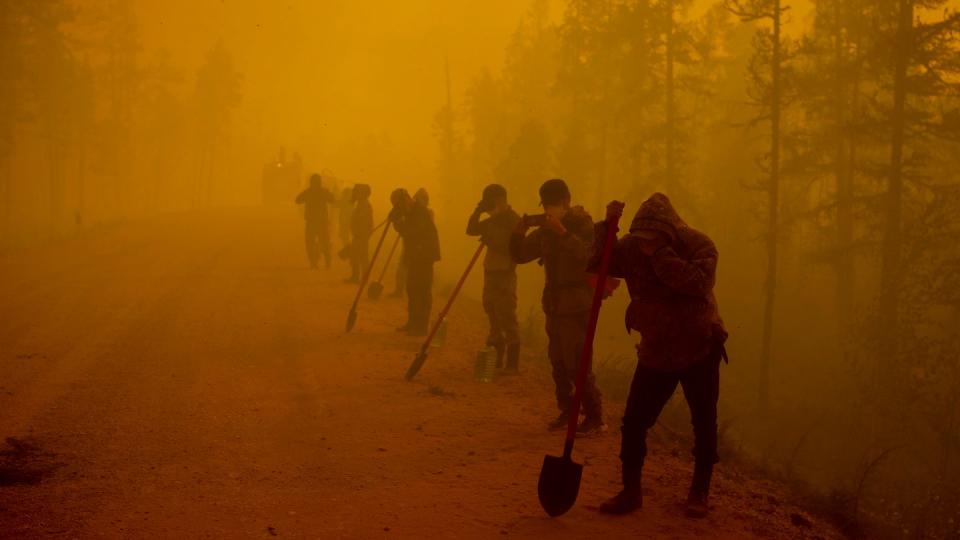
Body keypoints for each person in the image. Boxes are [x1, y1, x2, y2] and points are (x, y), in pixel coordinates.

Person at [594, 193, 727, 518]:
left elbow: (697, 283)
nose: (645, 244)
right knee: (635, 421)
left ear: (667, 233)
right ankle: (630, 490)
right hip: (655, 349)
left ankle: (699, 492)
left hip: (700, 347)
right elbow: (600, 264)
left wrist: (660, 254)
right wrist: (606, 230)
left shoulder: (699, 245)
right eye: (642, 238)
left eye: (652, 238)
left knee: (704, 422)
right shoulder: (631, 247)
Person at [510, 179, 605, 434]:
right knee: (558, 361)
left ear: (566, 201)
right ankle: (567, 408)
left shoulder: (582, 225)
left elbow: (588, 256)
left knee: (577, 361)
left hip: (576, 306)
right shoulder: (545, 231)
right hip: (553, 305)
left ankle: (594, 414)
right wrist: (518, 233)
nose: (550, 209)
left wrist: (563, 232)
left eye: (554, 203)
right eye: (546, 205)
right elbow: (520, 255)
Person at [467, 184, 522, 373]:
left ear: (501, 200)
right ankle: (496, 354)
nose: (491, 207)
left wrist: (492, 236)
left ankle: (512, 362)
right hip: (490, 270)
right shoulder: (491, 220)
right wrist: (478, 211)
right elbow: (471, 229)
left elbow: (512, 247)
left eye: (492, 202)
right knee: (490, 307)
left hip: (505, 272)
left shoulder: (514, 220)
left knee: (506, 312)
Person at [390, 188, 441, 336]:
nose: (400, 208)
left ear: (405, 199)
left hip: (424, 257)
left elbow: (412, 233)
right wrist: (396, 217)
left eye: (399, 204)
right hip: (414, 256)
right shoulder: (410, 211)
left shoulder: (420, 212)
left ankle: (421, 327)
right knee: (411, 289)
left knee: (423, 291)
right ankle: (412, 322)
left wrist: (398, 223)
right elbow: (406, 230)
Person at [295, 173, 336, 269]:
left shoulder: (309, 192)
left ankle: (314, 263)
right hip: (321, 222)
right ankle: (327, 262)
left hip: (312, 222)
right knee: (324, 242)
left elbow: (297, 200)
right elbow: (333, 199)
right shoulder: (323, 192)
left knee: (311, 243)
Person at [345, 184, 373, 284]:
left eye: (356, 192)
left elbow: (365, 223)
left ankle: (362, 278)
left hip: (361, 236)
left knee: (362, 257)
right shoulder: (361, 204)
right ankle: (356, 277)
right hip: (359, 235)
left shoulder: (364, 205)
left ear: (362, 194)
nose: (354, 194)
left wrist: (362, 235)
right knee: (356, 256)